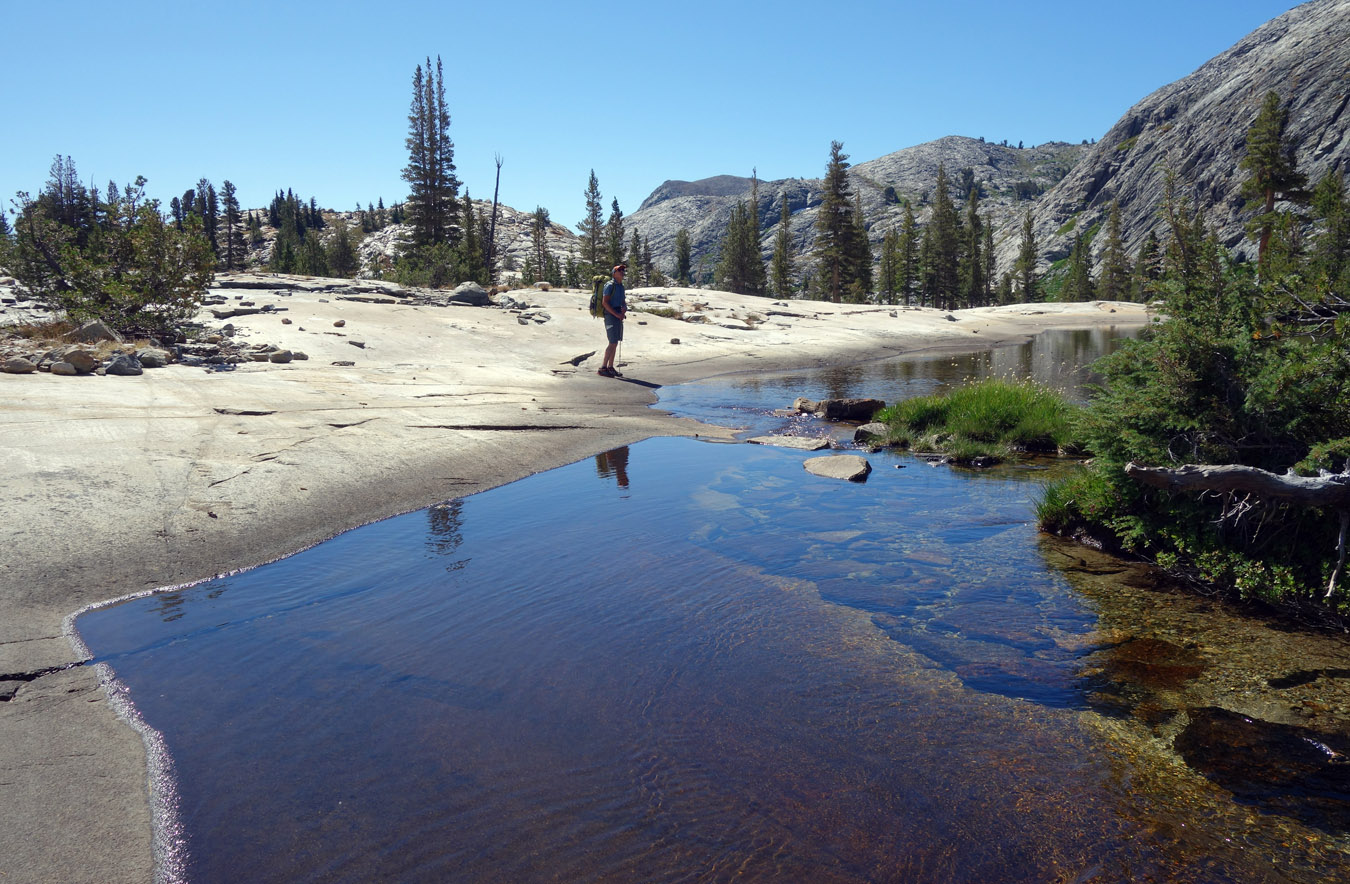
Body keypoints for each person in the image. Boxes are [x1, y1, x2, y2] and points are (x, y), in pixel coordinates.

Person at [598, 263, 627, 377]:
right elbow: (604, 303)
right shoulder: (609, 286)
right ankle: (603, 367)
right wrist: (616, 314)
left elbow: (623, 301)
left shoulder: (621, 286)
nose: (622, 273)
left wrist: (624, 309)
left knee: (615, 342)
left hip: (618, 315)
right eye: (619, 271)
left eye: (623, 271)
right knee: (612, 342)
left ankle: (610, 367)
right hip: (610, 316)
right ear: (614, 274)